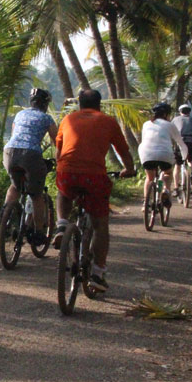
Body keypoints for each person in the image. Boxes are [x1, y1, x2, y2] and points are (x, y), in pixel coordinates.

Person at [54, 89, 135, 292]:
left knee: (63, 192)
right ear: (100, 104)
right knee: (100, 225)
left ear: (79, 104)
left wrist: (64, 167)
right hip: (94, 177)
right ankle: (98, 274)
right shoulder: (108, 121)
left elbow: (59, 152)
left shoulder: (68, 119)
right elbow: (123, 151)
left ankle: (62, 225)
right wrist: (130, 170)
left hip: (67, 173)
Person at [3, 88, 58, 244]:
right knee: (36, 195)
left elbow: (15, 135)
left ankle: (5, 215)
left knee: (15, 185)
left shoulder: (20, 115)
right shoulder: (46, 118)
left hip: (9, 152)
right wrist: (58, 161)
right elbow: (57, 142)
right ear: (46, 104)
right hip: (31, 154)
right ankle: (38, 232)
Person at [139, 102, 188, 211]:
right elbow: (180, 143)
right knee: (167, 173)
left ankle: (145, 203)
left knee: (149, 177)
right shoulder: (170, 125)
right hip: (164, 154)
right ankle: (165, 189)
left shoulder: (146, 124)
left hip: (147, 153)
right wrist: (184, 157)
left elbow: (143, 141)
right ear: (166, 114)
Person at [171, 104, 192, 190]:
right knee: (190, 159)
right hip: (191, 142)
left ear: (180, 112)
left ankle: (176, 187)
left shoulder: (175, 119)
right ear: (189, 112)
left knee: (177, 165)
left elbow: (171, 132)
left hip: (180, 142)